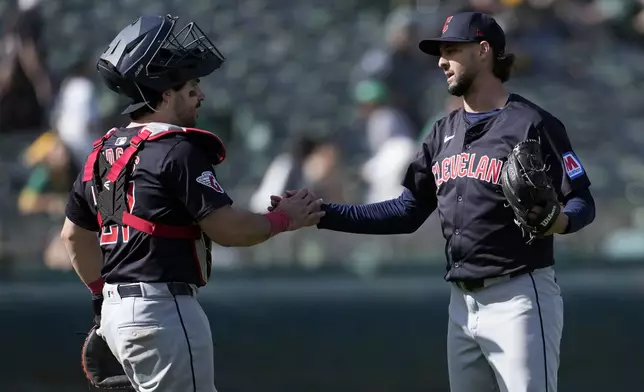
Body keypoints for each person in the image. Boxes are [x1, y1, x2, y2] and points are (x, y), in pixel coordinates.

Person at [270, 12, 595, 392]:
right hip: (461, 304)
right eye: (441, 52)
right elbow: (406, 211)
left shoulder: (533, 124)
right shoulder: (441, 133)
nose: (442, 61)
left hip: (519, 296)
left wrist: (560, 221)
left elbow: (582, 200)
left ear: (484, 51)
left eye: (453, 50)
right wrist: (322, 213)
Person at [60, 14, 324, 392]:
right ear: (165, 94)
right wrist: (285, 218)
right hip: (162, 309)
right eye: (191, 86)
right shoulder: (176, 149)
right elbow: (229, 229)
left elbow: (72, 237)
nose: (200, 94)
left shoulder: (102, 152)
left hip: (117, 314)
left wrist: (105, 297)